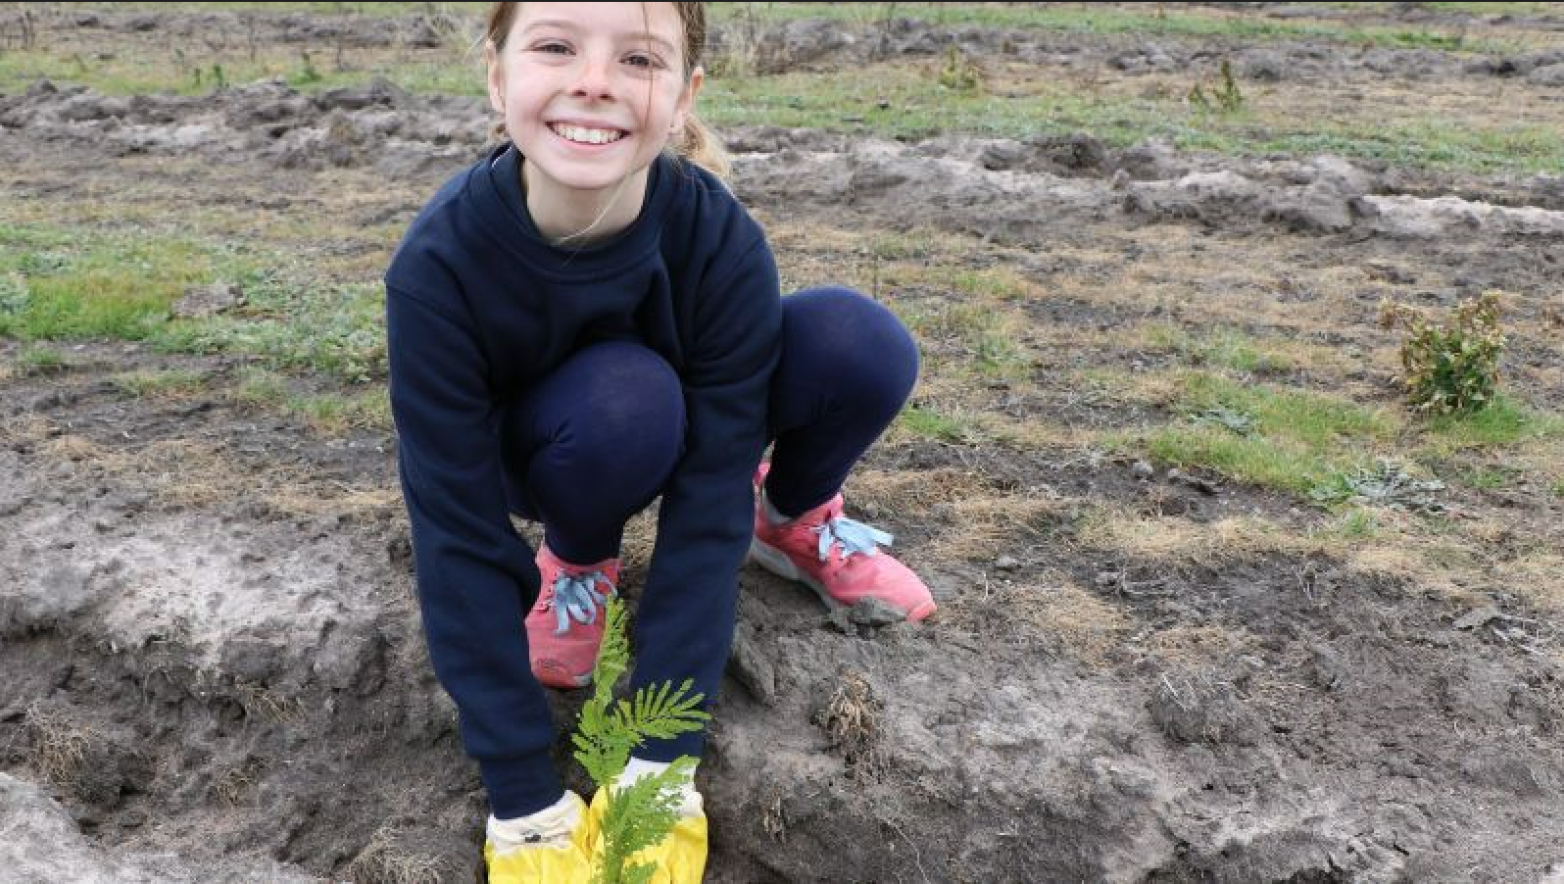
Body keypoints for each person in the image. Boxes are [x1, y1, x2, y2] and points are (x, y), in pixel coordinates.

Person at [384, 3, 935, 881]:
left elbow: (705, 498)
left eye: (638, 58)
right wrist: (522, 797)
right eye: (556, 46)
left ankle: (791, 518)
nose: (594, 80)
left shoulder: (719, 241)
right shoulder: (438, 269)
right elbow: (455, 532)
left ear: (684, 97)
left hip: (683, 421)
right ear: (497, 74)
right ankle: (578, 560)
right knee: (624, 403)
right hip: (559, 449)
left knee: (857, 342)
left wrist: (660, 757)